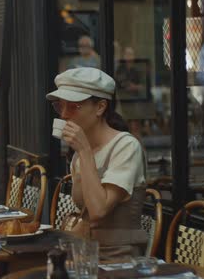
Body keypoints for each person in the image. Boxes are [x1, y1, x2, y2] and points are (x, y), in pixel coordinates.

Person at [48, 67, 147, 260]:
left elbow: (98, 210)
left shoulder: (126, 146)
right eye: (61, 106)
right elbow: (84, 211)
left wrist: (84, 152)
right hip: (83, 253)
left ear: (100, 107)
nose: (65, 115)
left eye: (73, 106)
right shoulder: (79, 154)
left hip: (119, 260)